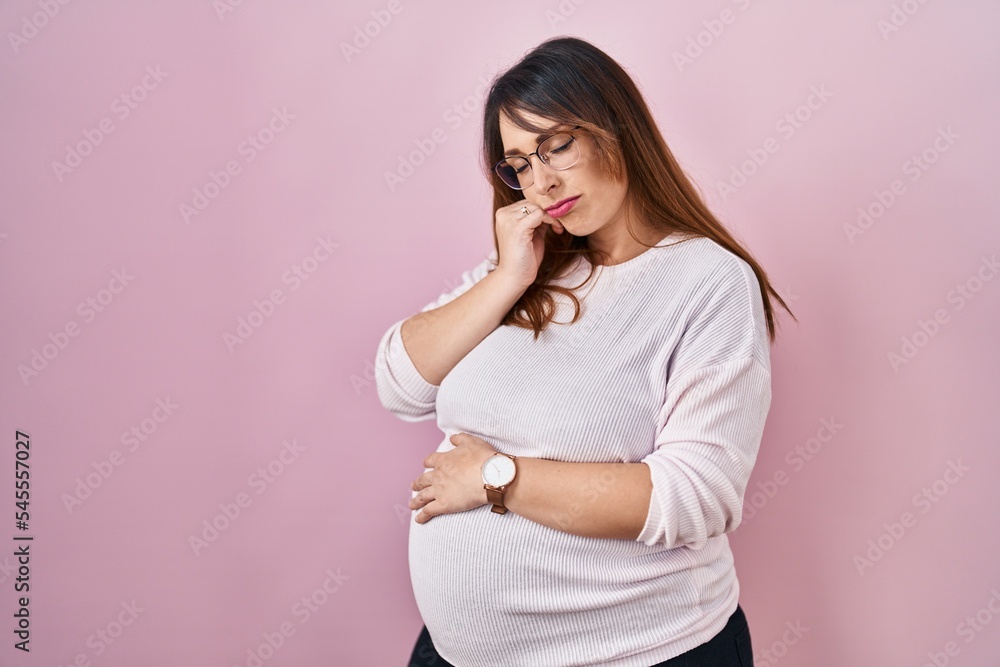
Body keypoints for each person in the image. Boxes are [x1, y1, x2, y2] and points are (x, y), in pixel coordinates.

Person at [375, 36, 796, 667]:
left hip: (638, 653)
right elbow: (399, 385)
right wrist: (507, 280)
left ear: (616, 126)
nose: (540, 182)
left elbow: (695, 498)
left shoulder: (708, 282)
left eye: (558, 145)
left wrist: (496, 479)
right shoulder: (527, 268)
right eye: (518, 163)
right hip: (455, 653)